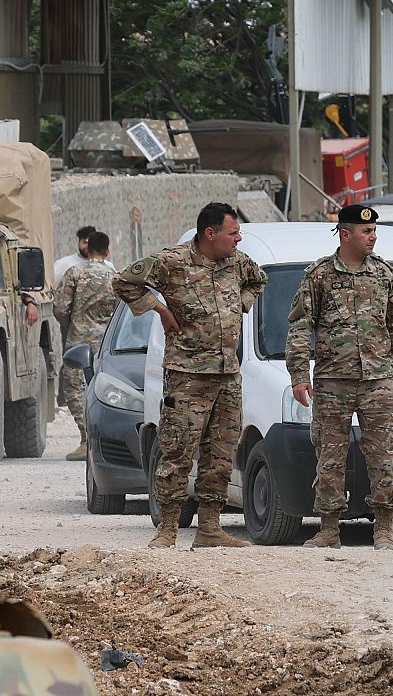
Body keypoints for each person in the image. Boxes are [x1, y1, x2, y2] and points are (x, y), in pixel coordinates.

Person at [114, 202, 267, 549]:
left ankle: (210, 528)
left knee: (221, 454)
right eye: (233, 232)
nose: (239, 238)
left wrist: (240, 304)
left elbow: (259, 280)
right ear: (209, 234)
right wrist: (159, 308)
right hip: (187, 375)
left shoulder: (238, 263)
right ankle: (167, 529)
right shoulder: (172, 262)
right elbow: (123, 282)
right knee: (178, 452)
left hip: (228, 375)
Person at [285, 205, 393, 550]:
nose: (373, 237)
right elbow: (300, 325)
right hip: (332, 381)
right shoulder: (319, 275)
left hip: (377, 380)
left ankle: (384, 528)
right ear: (345, 233)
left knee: (384, 455)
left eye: (374, 231)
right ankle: (328, 529)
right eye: (366, 231)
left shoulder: (383, 275)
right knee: (330, 455)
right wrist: (298, 373)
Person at [54, 231, 116, 461]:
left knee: (73, 389)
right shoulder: (114, 275)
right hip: (106, 344)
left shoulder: (75, 272)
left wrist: (72, 323)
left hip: (78, 341)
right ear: (107, 251)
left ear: (88, 250)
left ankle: (85, 438)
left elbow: (60, 308)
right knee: (104, 387)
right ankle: (104, 439)